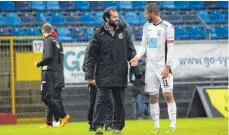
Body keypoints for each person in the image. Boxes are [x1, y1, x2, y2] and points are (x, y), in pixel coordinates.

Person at [83, 7, 138, 135]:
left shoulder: (124, 32)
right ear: (107, 18)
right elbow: (91, 55)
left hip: (120, 72)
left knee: (119, 101)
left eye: (117, 17)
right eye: (114, 17)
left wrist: (137, 70)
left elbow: (131, 51)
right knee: (101, 100)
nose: (117, 19)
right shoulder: (98, 33)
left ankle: (117, 127)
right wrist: (89, 74)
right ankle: (97, 127)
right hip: (103, 73)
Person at [136, 3, 177, 133]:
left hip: (163, 66)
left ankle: (172, 126)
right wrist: (137, 57)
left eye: (146, 13)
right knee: (153, 97)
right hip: (150, 68)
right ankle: (156, 127)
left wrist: (167, 66)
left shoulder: (168, 27)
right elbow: (143, 45)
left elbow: (171, 49)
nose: (145, 16)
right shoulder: (146, 26)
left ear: (152, 13)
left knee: (168, 94)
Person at [36, 23, 70, 128]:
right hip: (57, 73)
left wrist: (39, 63)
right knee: (51, 97)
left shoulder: (48, 41)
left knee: (46, 97)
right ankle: (51, 122)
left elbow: (48, 56)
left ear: (43, 32)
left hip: (50, 72)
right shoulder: (58, 43)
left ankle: (62, 116)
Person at [83, 49, 114, 131]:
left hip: (106, 81)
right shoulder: (90, 50)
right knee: (93, 103)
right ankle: (92, 124)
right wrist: (90, 78)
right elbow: (85, 66)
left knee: (109, 103)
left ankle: (108, 125)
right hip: (93, 82)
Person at [129, 55, 149, 119]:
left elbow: (130, 77)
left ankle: (144, 114)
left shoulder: (133, 65)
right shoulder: (146, 66)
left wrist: (133, 81)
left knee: (139, 101)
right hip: (143, 86)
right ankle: (143, 115)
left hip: (136, 85)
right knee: (141, 101)